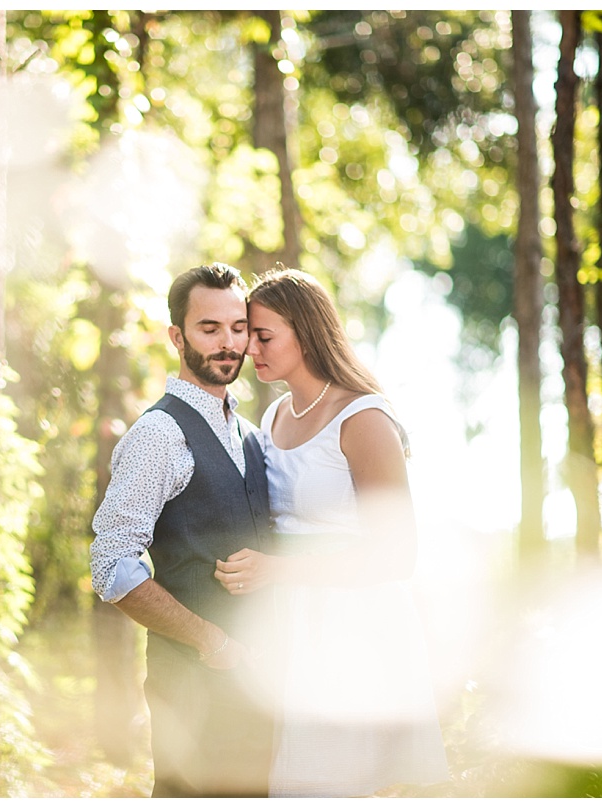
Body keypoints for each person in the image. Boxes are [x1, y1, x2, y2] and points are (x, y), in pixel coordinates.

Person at [214, 265, 449, 797]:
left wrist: (279, 569)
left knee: (326, 784)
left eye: (263, 335)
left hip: (350, 629)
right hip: (281, 630)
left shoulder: (363, 418)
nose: (251, 348)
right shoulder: (274, 416)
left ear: (307, 332)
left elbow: (398, 554)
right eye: (249, 335)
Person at [89, 263, 275, 797]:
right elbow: (112, 566)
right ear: (177, 336)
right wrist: (211, 642)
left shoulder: (251, 436)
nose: (228, 343)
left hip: (261, 693)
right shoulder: (159, 435)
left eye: (238, 328)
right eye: (209, 328)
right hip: (192, 695)